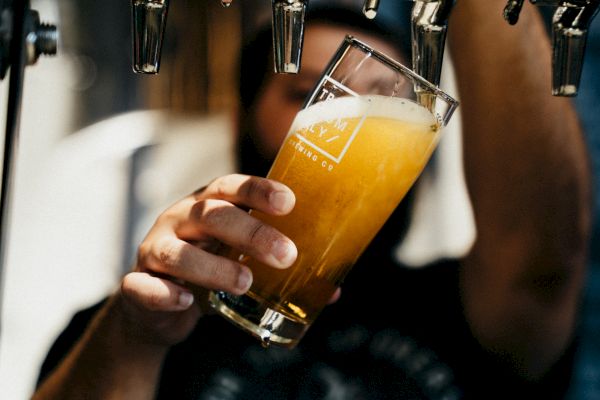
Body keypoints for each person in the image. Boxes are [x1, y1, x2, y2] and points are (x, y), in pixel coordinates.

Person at [32, 1, 592, 399]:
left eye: (385, 100)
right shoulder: (131, 321)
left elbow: (543, 257)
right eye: (307, 93)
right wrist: (135, 334)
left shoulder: (457, 308)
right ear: (240, 119)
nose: (357, 122)